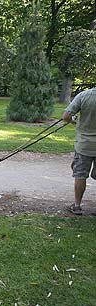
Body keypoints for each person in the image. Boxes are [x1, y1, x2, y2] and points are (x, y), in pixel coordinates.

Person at [62, 87, 96, 215]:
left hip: (84, 144)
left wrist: (72, 121)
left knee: (80, 175)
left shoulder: (84, 95)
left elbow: (66, 116)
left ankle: (76, 206)